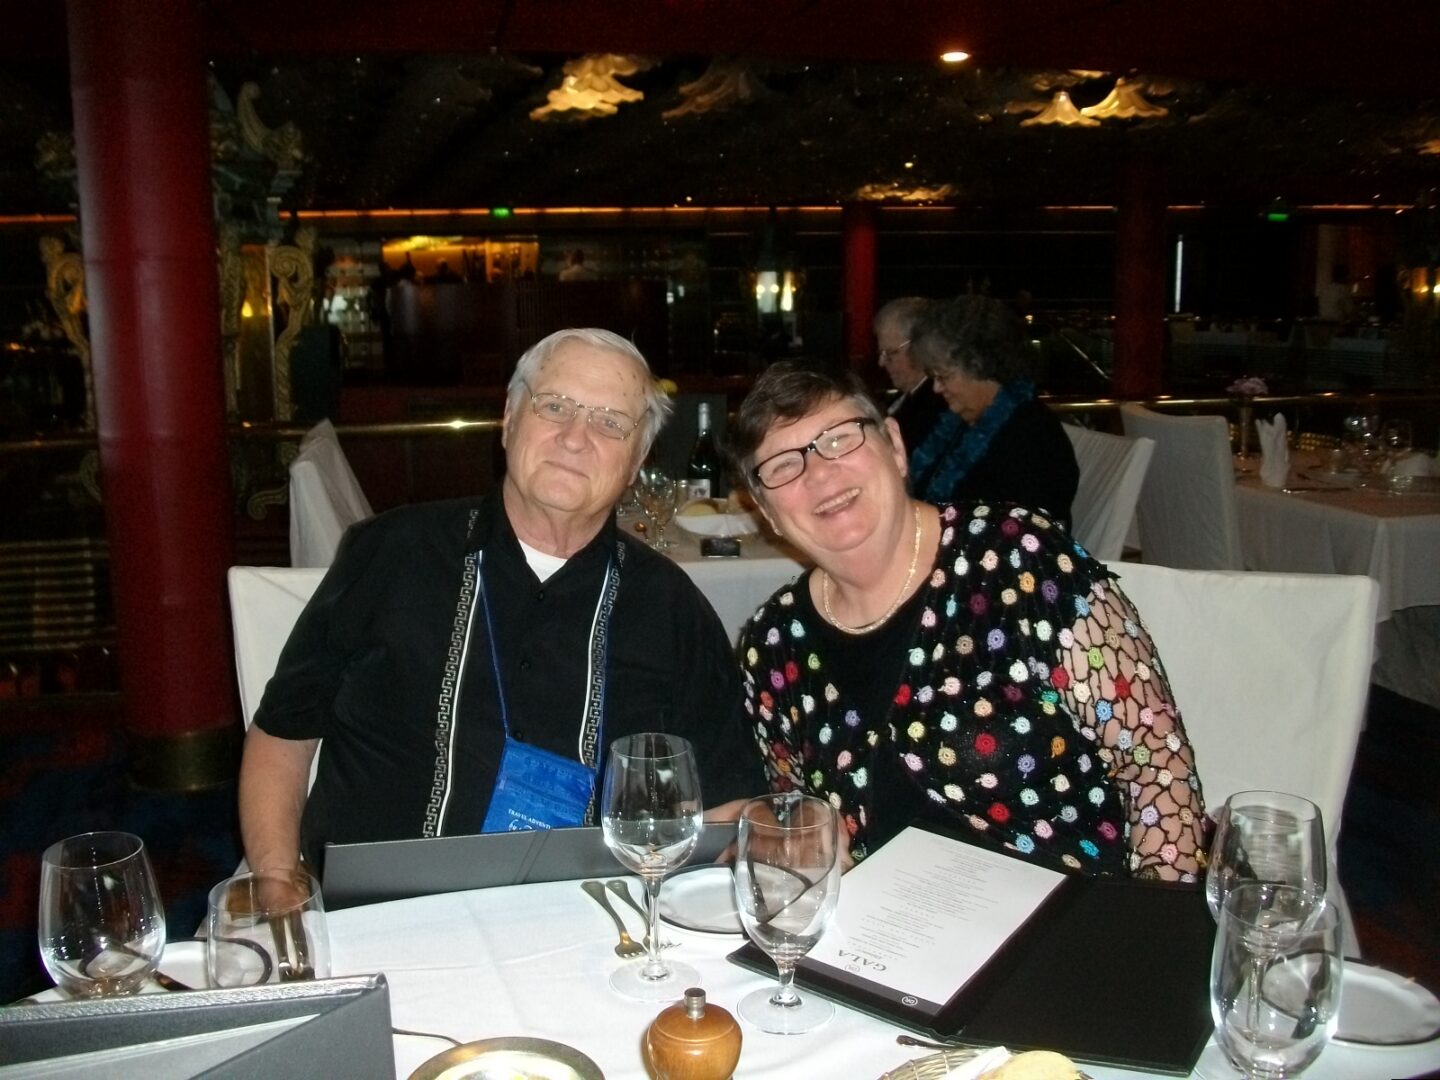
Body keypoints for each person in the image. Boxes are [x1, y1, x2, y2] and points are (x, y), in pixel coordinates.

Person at [239, 328, 759, 873]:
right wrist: (277, 883)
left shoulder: (671, 607)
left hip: (588, 927)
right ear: (509, 419)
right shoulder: (392, 553)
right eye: (554, 406)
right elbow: (283, 735)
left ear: (637, 460)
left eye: (609, 422)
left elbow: (726, 802)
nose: (575, 437)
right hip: (372, 917)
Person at [726, 361, 1207, 880]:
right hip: (882, 941)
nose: (820, 473)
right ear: (766, 511)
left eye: (840, 439)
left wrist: (1159, 927)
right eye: (781, 466)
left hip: (1070, 920)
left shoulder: (1023, 561)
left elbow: (1156, 764)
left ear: (893, 445)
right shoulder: (773, 643)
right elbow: (792, 807)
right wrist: (793, 833)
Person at [908, 295, 1079, 529]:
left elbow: (1022, 533)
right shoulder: (954, 422)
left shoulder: (1033, 439)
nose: (937, 388)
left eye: (944, 376)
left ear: (980, 365)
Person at [873, 297, 945, 457]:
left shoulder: (936, 409)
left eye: (891, 353)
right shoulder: (907, 397)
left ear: (921, 348)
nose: (881, 363)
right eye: (881, 353)